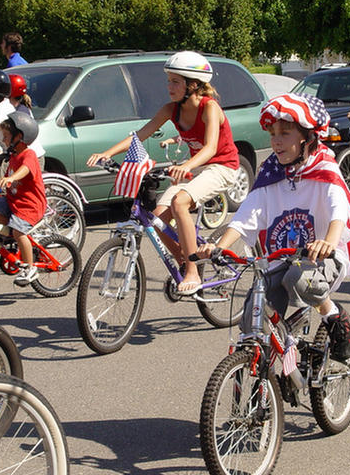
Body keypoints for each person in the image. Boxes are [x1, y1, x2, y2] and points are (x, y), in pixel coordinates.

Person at [195, 93, 350, 361]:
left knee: (298, 278)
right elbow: (246, 217)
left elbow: (339, 212)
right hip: (281, 259)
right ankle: (264, 377)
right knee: (252, 315)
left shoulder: (324, 168)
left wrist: (327, 241)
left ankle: (333, 316)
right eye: (273, 134)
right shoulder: (272, 173)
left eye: (286, 133)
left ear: (307, 138)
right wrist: (218, 247)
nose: (276, 141)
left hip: (321, 260)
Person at [87, 51, 240, 294]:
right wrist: (108, 153)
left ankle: (192, 271)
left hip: (222, 167)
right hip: (198, 168)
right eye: (168, 80)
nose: (169, 86)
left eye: (175, 81)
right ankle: (184, 257)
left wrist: (186, 166)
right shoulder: (171, 109)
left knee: (180, 202)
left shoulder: (209, 107)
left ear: (194, 84)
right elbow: (139, 135)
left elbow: (211, 148)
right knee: (157, 217)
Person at [0, 111, 47, 286]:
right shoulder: (13, 157)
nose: (4, 140)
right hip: (14, 201)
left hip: (30, 206)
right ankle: (12, 233)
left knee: (20, 232)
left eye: (6, 136)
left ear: (19, 136)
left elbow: (25, 170)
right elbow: (7, 178)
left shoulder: (29, 155)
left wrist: (12, 178)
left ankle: (30, 269)